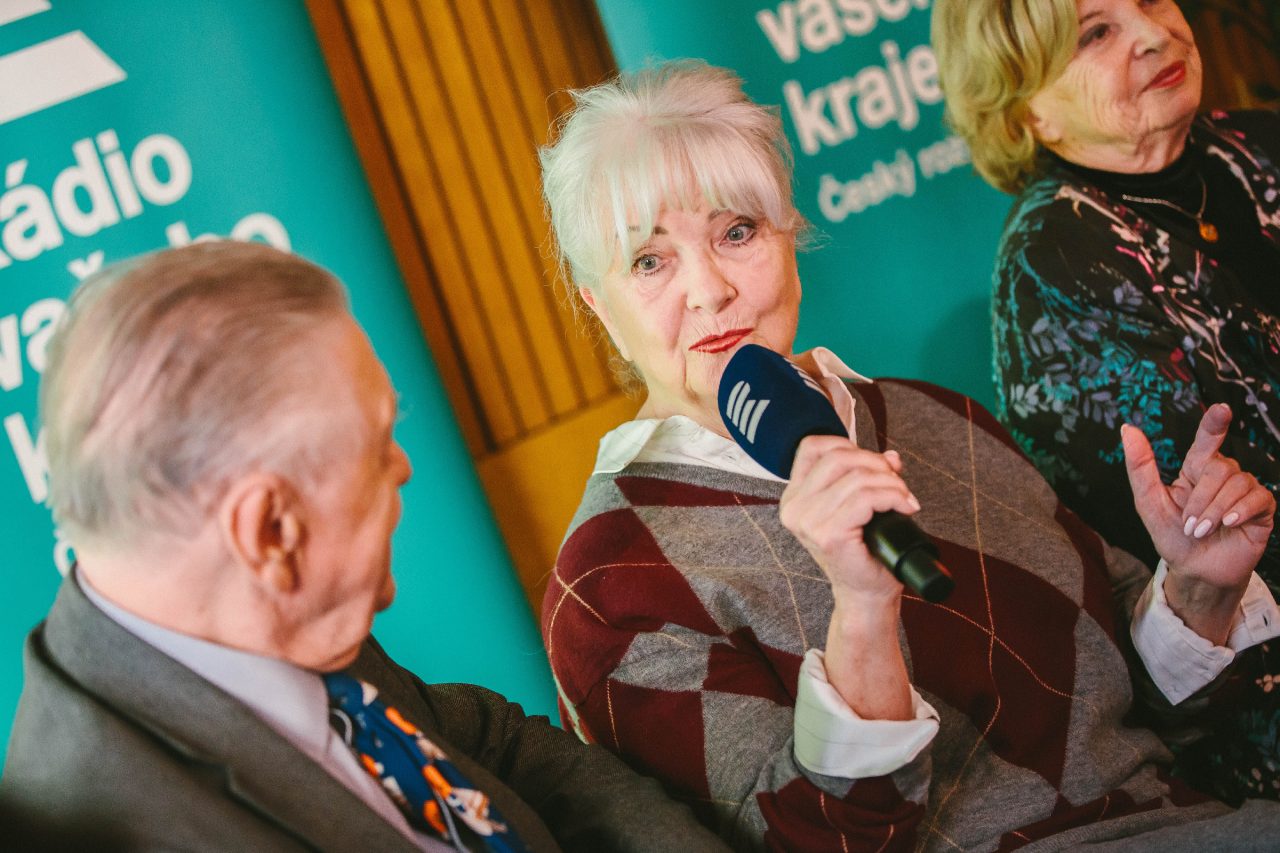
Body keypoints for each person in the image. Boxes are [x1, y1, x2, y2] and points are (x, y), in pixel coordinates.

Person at [538, 60, 1280, 851]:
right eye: (650, 261)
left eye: (738, 232)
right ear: (599, 306)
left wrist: (1198, 588)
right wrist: (862, 608)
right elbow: (808, 842)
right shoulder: (610, 582)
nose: (709, 289)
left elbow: (1150, 711)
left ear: (789, 235)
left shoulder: (931, 414)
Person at [0, 241, 728, 852]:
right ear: (270, 530)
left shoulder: (261, 613)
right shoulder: (97, 825)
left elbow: (489, 744)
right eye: (378, 443)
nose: (403, 465)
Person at [934, 0, 1280, 805]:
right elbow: (1209, 551)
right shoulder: (1056, 266)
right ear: (1029, 112)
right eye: (1096, 32)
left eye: (1151, 0)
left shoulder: (1256, 142)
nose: (1155, 34)